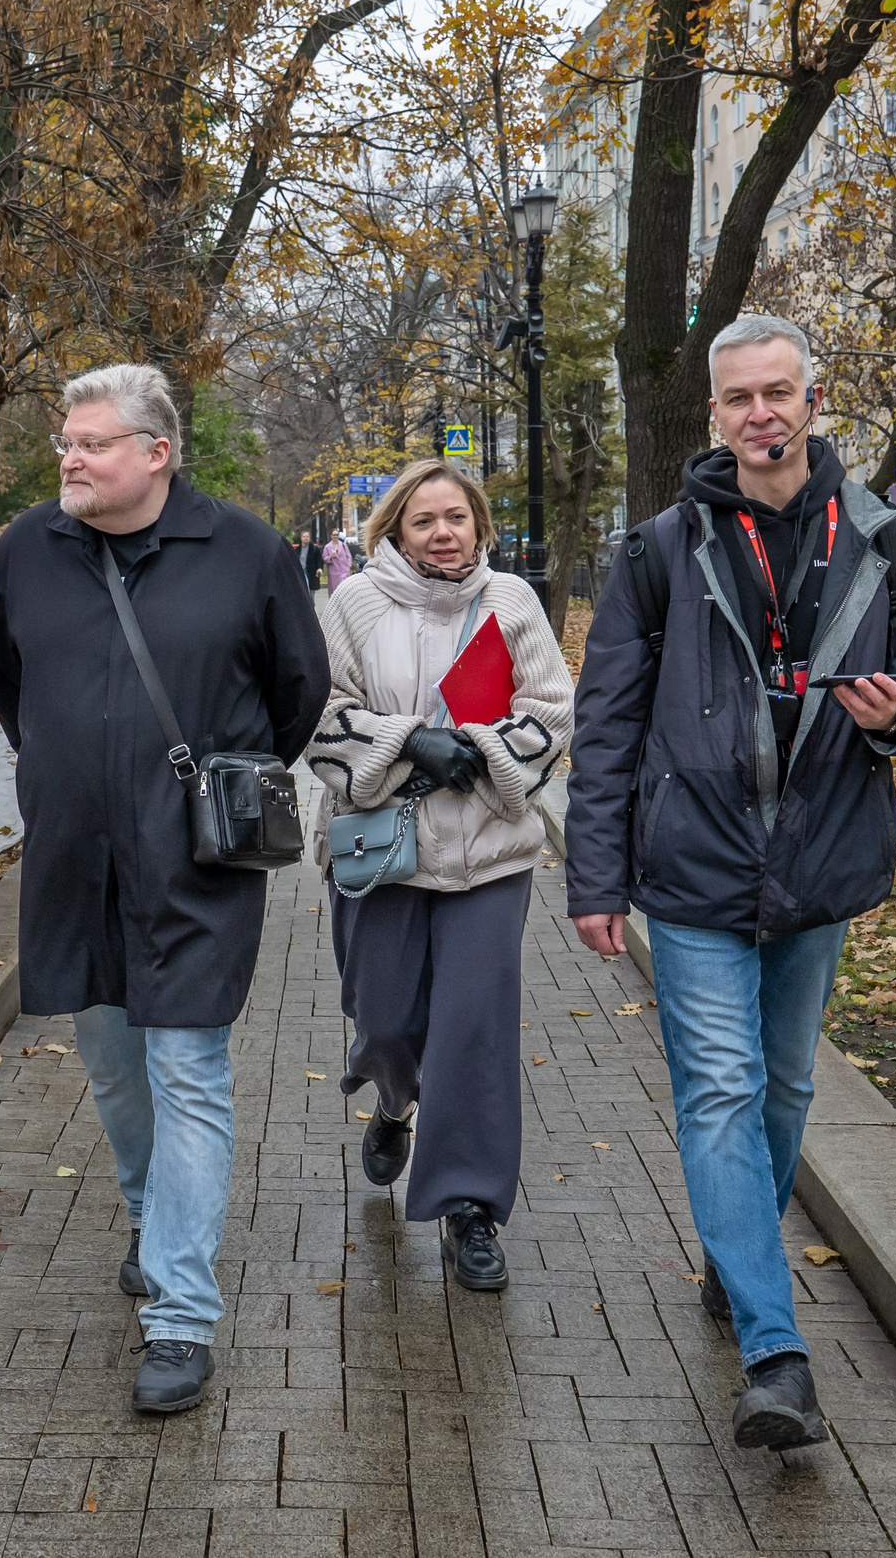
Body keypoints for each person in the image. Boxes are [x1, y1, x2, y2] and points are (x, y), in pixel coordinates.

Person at [566, 313, 896, 1452]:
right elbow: (605, 727)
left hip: (822, 855)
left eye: (777, 392)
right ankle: (775, 1350)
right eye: (739, 398)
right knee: (722, 1090)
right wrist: (597, 871)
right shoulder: (658, 548)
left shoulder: (884, 535)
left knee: (785, 1087)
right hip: (693, 865)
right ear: (714, 413)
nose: (760, 414)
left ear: (810, 396)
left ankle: (731, 1251)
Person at [0, 364, 328, 1415]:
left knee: (187, 1066)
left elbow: (297, 687)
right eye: (65, 444)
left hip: (194, 862)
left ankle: (179, 1311)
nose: (69, 460)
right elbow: (10, 679)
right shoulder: (27, 547)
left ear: (155, 451)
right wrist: (65, 769)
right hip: (74, 855)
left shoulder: (246, 552)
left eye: (90, 443)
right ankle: (149, 1209)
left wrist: (215, 777)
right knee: (109, 1051)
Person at [308, 461, 571, 1290]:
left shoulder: (512, 603)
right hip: (381, 849)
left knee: (472, 1029)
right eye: (424, 520)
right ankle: (394, 1103)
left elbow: (553, 712)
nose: (443, 532)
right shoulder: (353, 606)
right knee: (384, 1019)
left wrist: (486, 752)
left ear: (480, 525)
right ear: (395, 531)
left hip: (489, 854)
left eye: (457, 517)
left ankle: (470, 1208)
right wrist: (407, 742)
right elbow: (319, 714)